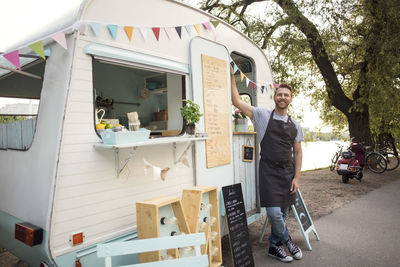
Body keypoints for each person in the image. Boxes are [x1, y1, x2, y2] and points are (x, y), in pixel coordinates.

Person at [230, 68, 303, 263]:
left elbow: (297, 152)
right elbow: (236, 102)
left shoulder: (296, 125)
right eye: (279, 94)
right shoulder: (262, 116)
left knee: (284, 212)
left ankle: (274, 246)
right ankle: (288, 240)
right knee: (273, 212)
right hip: (269, 171)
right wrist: (231, 76)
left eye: (286, 95)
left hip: (288, 173)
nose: (282, 97)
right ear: (274, 97)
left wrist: (296, 177)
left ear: (290, 99)